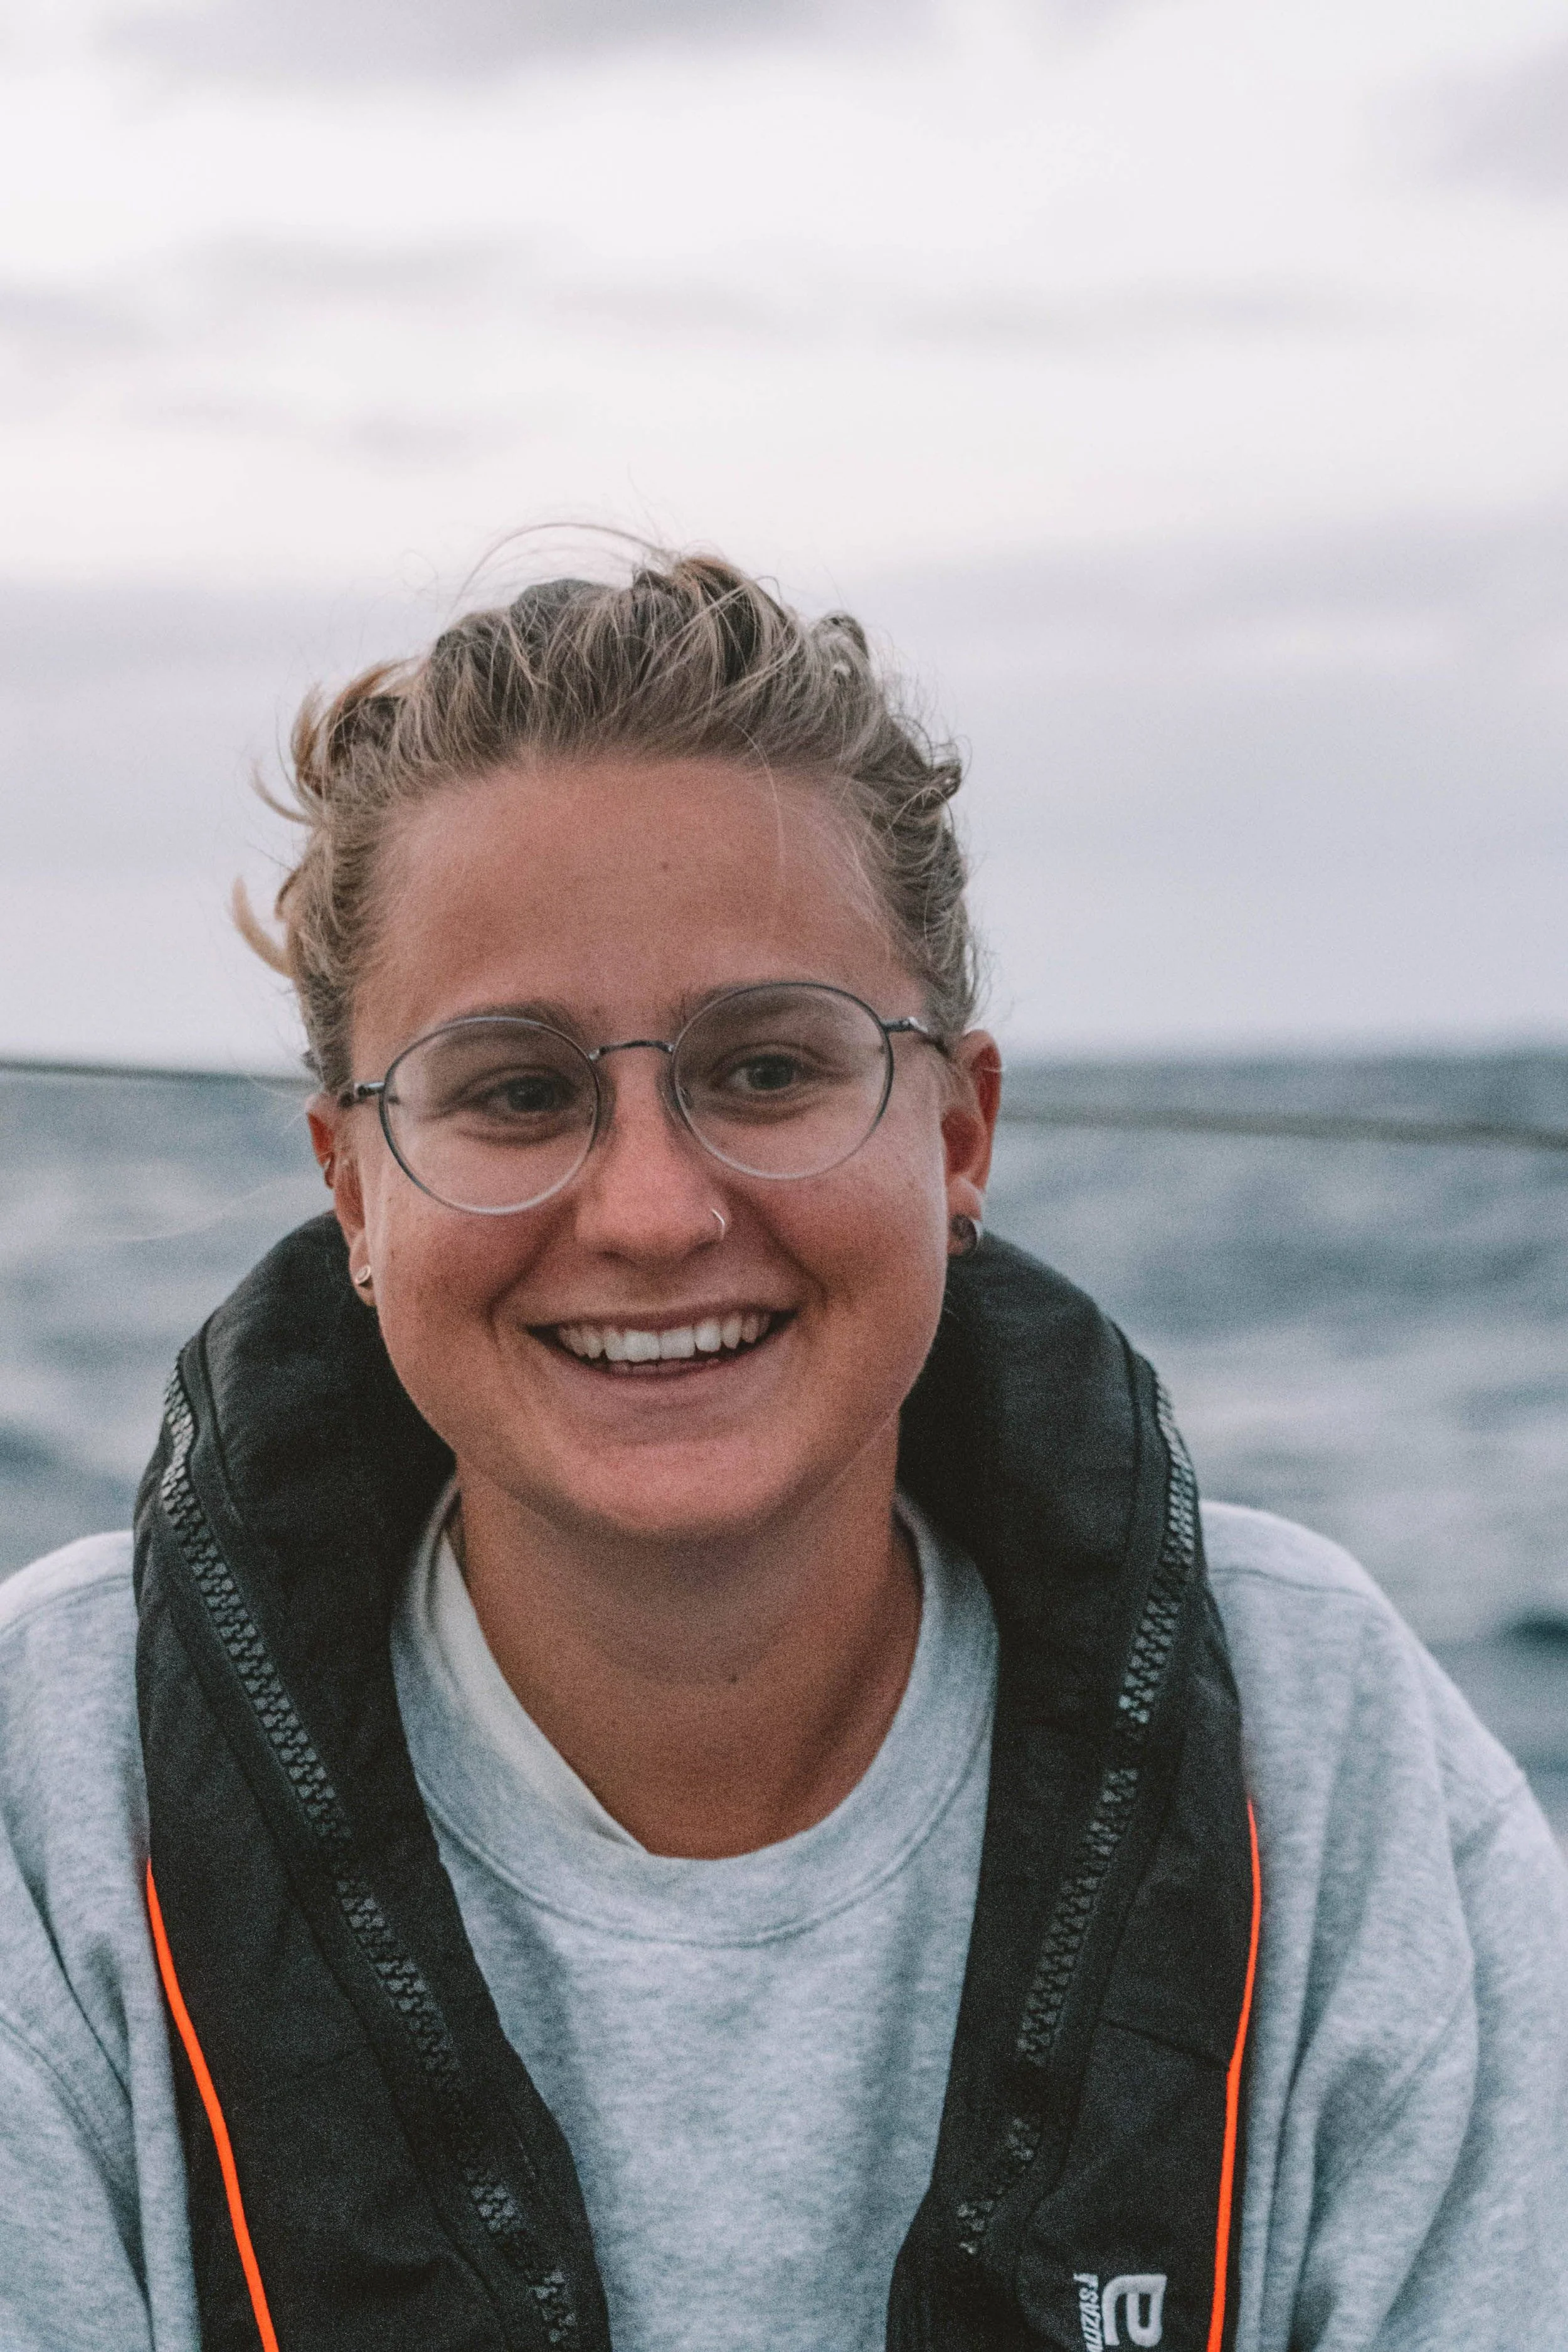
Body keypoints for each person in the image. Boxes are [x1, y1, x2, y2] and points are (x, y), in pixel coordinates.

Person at [0, 553, 1564, 2352]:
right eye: (512, 1088)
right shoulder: (54, 1784)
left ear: (957, 1132)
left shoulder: (1325, 1743)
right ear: (353, 1187)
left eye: (766, 1070)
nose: (654, 1210)